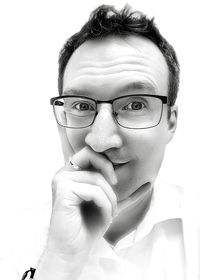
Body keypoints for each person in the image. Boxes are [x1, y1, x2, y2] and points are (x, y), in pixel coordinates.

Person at [21, 4, 199, 280]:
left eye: (136, 104)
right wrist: (59, 261)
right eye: (81, 106)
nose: (101, 140)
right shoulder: (9, 237)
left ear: (171, 121)